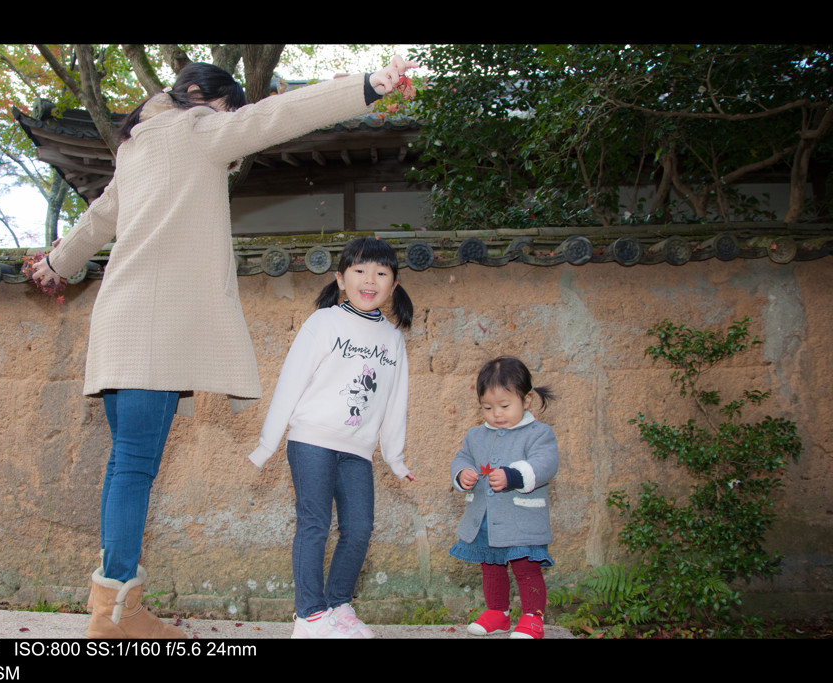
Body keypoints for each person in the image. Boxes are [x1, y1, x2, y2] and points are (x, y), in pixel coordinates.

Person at [31, 57, 420, 639]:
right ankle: (115, 616)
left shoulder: (133, 150)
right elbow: (279, 115)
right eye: (226, 108)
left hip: (117, 328)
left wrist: (53, 265)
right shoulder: (197, 129)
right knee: (134, 468)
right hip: (157, 338)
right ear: (200, 97)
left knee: (124, 467)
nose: (230, 120)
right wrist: (369, 86)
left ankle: (117, 606)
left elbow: (93, 223)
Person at [248, 237, 418, 639]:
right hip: (311, 441)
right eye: (359, 271)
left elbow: (396, 401)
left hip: (357, 451)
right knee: (315, 525)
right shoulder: (322, 323)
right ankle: (308, 617)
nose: (369, 280)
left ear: (394, 285)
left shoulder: (393, 339)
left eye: (381, 273)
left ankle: (337, 606)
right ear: (341, 279)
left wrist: (394, 457)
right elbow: (291, 382)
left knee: (359, 529)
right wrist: (267, 443)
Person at [450, 356, 559, 639]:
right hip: (486, 519)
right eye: (487, 407)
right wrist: (463, 473)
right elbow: (462, 458)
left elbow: (545, 464)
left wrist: (514, 476)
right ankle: (498, 613)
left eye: (505, 406)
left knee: (526, 568)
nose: (496, 414)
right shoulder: (475, 436)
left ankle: (533, 617)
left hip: (521, 520)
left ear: (528, 399)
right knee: (492, 566)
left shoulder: (539, 434)